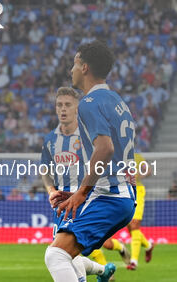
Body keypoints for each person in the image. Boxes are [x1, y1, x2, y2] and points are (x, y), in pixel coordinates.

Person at [45, 41, 136, 282]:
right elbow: (120, 157)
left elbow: (105, 149)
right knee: (69, 255)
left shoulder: (88, 103)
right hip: (119, 195)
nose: (71, 70)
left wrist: (82, 193)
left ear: (84, 67)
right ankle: (103, 273)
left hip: (110, 197)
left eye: (74, 64)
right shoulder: (118, 102)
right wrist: (80, 191)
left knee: (56, 256)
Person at [40, 87, 121, 282]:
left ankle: (100, 273)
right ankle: (103, 271)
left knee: (58, 255)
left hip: (85, 201)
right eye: (59, 105)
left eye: (68, 104)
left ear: (77, 109)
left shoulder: (89, 135)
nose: (63, 109)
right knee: (65, 254)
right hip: (61, 205)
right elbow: (44, 170)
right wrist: (51, 190)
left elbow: (108, 156)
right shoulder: (51, 139)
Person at [126, 151, 154, 270]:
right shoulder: (116, 157)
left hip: (138, 191)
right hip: (124, 192)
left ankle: (133, 261)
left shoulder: (137, 157)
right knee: (129, 226)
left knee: (135, 224)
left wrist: (140, 175)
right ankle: (148, 245)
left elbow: (148, 170)